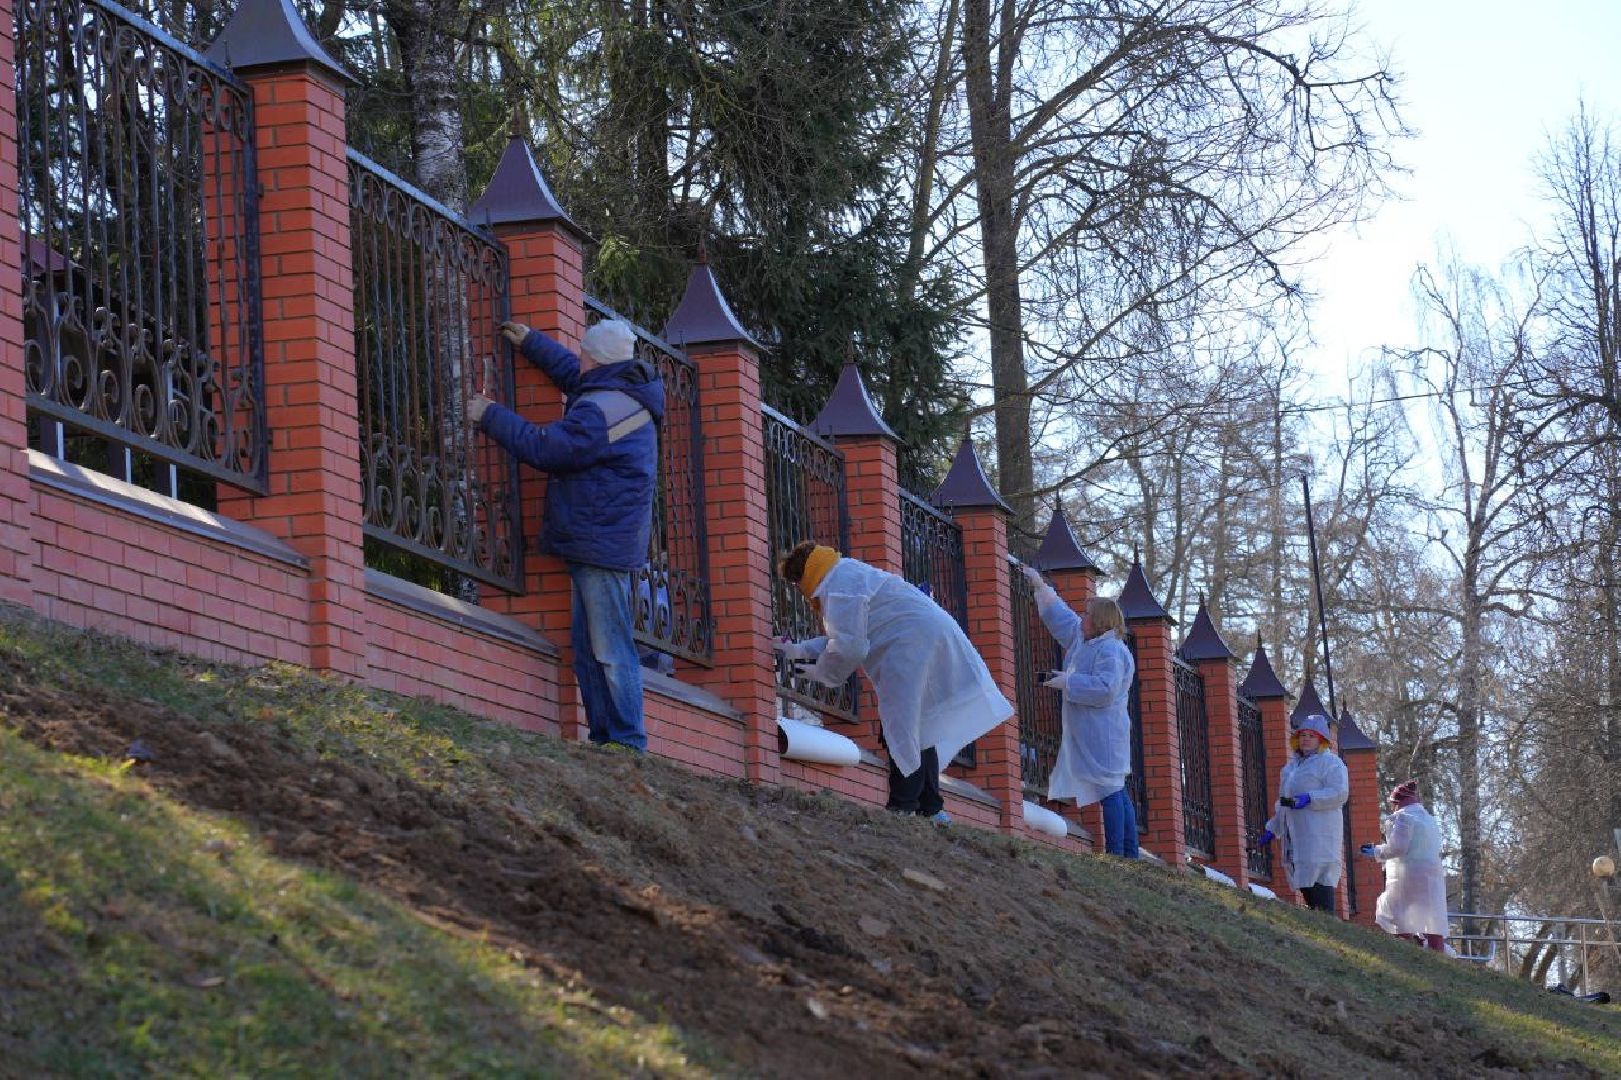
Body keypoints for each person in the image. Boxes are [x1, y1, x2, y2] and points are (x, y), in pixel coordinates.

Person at [467, 318, 664, 752]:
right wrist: (534, 344)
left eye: (582, 352)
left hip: (600, 539)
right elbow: (577, 377)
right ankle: (605, 737)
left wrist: (490, 414)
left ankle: (628, 741)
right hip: (605, 534)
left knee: (610, 646)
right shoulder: (622, 391)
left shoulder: (604, 409)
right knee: (590, 644)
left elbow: (548, 449)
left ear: (593, 357)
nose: (579, 358)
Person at [774, 541, 1013, 820]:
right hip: (927, 635)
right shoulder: (845, 573)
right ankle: (931, 807)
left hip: (910, 645)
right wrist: (801, 650)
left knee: (901, 727)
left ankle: (904, 804)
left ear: (802, 577)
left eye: (796, 585)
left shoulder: (835, 587)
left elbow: (851, 646)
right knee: (917, 725)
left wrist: (821, 673)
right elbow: (847, 634)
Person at [1023, 566, 1138, 857]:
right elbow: (1063, 619)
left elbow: (1105, 689)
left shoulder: (1111, 650)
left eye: (1087, 614)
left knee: (1110, 790)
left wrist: (1066, 681)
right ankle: (1129, 854)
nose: (1082, 618)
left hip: (1104, 733)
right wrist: (1040, 587)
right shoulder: (1086, 640)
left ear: (1099, 621)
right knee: (1114, 789)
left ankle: (1119, 855)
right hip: (1092, 731)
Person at [1255, 713, 1348, 913]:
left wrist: (1310, 798)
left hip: (1319, 833)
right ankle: (1320, 919)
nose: (1305, 739)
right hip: (1296, 834)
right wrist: (1274, 828)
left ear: (1322, 741)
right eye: (1302, 735)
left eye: (1311, 736)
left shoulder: (1331, 763)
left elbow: (1340, 793)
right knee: (1303, 876)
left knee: (1319, 878)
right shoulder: (1290, 769)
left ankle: (1326, 921)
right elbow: (1284, 803)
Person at [1360, 780, 1448, 951]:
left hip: (1407, 875)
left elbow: (1398, 847)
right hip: (1432, 874)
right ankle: (1437, 952)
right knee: (1432, 918)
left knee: (1401, 915)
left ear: (1397, 802)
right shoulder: (1430, 820)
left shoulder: (1403, 817)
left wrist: (1376, 851)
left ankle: (1406, 949)